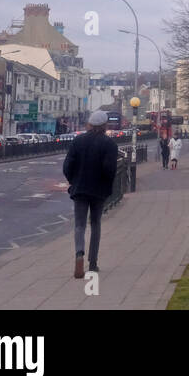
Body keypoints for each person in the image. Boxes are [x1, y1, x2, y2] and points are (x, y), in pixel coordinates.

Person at [62, 110, 119, 279]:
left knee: (79, 225)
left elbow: (67, 166)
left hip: (80, 189)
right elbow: (110, 170)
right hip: (99, 190)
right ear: (104, 126)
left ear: (89, 125)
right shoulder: (109, 144)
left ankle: (79, 254)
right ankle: (93, 263)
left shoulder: (78, 141)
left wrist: (74, 180)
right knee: (96, 224)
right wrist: (106, 185)